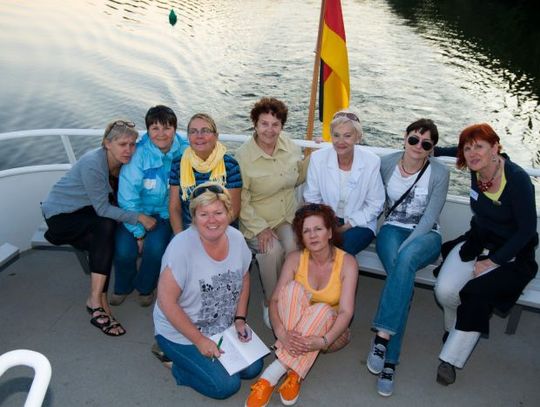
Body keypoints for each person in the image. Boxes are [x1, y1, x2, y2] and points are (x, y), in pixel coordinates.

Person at [434, 123, 538, 385]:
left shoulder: (517, 180)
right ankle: (454, 330)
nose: (472, 153)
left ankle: (450, 360)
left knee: (476, 294)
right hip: (477, 240)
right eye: (468, 148)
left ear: (495, 148)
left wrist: (493, 261)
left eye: (479, 146)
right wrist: (430, 149)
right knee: (445, 290)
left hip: (512, 253)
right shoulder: (476, 167)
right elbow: (456, 150)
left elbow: (527, 230)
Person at [41, 120, 157, 336]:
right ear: (107, 143)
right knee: (105, 227)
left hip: (86, 211)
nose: (128, 150)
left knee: (103, 239)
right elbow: (103, 209)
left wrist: (137, 233)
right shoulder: (93, 164)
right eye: (122, 144)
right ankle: (96, 301)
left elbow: (120, 200)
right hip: (61, 215)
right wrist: (139, 218)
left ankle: (97, 300)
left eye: (132, 144)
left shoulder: (122, 163)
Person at [153, 183, 263, 399]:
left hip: (221, 326)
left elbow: (244, 276)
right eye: (204, 214)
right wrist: (199, 340)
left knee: (253, 369)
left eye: (218, 213)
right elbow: (166, 302)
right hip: (181, 332)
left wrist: (240, 319)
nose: (212, 220)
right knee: (225, 386)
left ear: (229, 213)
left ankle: (200, 361)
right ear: (194, 217)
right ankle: (174, 363)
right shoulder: (180, 248)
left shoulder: (236, 238)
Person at [366, 119, 450, 396]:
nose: (417, 146)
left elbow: (429, 217)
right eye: (414, 139)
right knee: (403, 281)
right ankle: (389, 362)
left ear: (432, 148)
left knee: (403, 263)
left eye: (425, 144)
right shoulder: (386, 164)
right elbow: (362, 176)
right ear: (405, 138)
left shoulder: (440, 173)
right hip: (391, 229)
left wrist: (407, 246)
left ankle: (383, 341)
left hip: (426, 236)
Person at [245, 203, 358, 407]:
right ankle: (295, 373)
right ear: (301, 237)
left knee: (322, 309)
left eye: (318, 229)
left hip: (332, 334)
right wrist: (281, 333)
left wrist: (323, 341)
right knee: (291, 290)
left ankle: (270, 376)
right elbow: (275, 301)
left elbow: (346, 312)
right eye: (306, 231)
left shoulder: (347, 263)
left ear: (330, 232)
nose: (312, 235)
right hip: (296, 329)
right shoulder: (295, 258)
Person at [235, 97, 306, 328]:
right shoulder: (243, 157)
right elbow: (240, 199)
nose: (270, 130)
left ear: (282, 126)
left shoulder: (289, 146)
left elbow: (298, 177)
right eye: (264, 124)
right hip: (256, 220)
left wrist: (315, 155)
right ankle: (271, 302)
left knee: (294, 246)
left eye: (275, 124)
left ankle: (290, 298)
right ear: (255, 125)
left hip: (285, 217)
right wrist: (260, 228)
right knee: (271, 250)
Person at [111, 105, 188, 307]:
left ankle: (145, 287)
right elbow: (127, 197)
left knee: (155, 249)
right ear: (148, 130)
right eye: (155, 128)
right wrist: (138, 233)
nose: (161, 134)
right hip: (135, 213)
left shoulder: (186, 151)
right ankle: (123, 286)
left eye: (167, 128)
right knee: (124, 250)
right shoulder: (138, 155)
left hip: (165, 213)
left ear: (175, 129)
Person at [303, 109, 385, 255]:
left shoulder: (371, 161)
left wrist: (347, 225)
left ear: (357, 137)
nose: (341, 141)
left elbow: (375, 204)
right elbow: (312, 197)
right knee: (313, 247)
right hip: (326, 219)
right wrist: (326, 223)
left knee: (340, 250)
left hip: (359, 223)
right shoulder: (318, 158)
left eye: (347, 136)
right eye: (336, 135)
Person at [168, 113, 242, 233]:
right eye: (193, 131)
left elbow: (233, 210)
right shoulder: (178, 164)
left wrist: (208, 233)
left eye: (205, 131)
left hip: (221, 228)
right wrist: (180, 236)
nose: (199, 136)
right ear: (188, 137)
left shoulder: (230, 165)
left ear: (216, 136)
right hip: (188, 228)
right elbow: (174, 208)